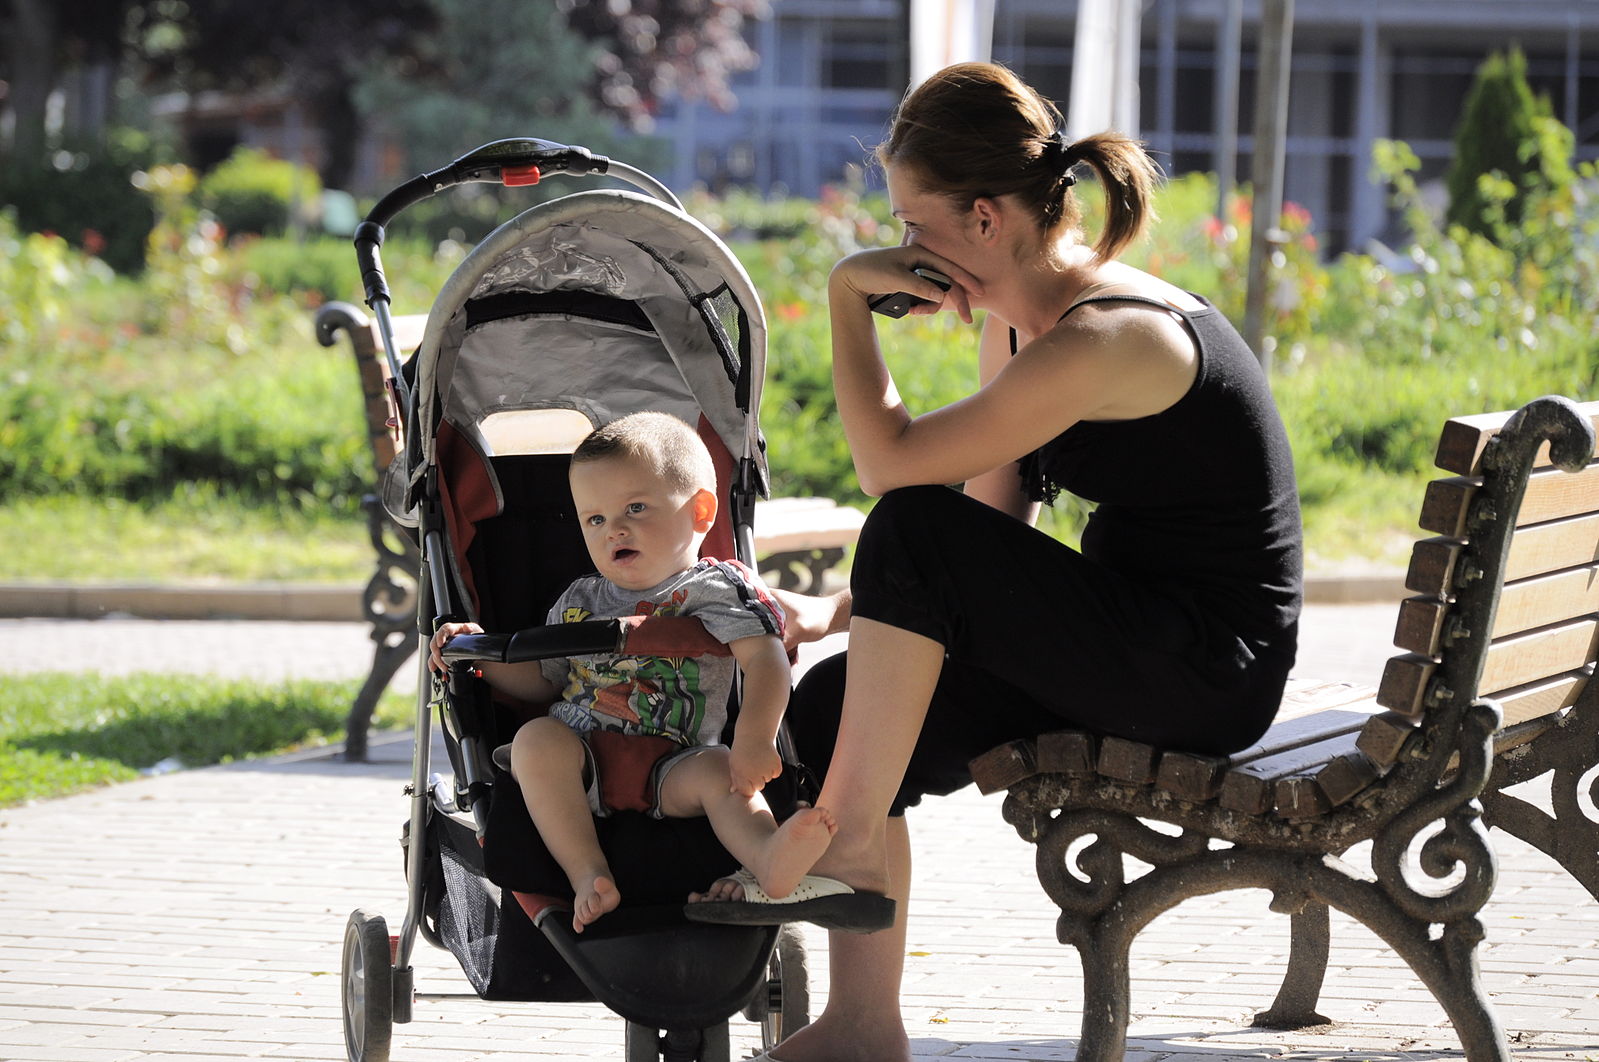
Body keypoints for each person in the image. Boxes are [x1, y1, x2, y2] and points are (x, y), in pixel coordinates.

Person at [683, 62, 1303, 1062]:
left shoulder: (1107, 336)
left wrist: (847, 300)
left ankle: (839, 846)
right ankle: (862, 1027)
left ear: (982, 220)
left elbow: (896, 476)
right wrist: (875, 611)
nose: (899, 250)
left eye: (911, 224)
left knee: (909, 527)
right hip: (1134, 640)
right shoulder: (1024, 322)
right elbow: (997, 512)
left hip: (1202, 668)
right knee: (832, 710)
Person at [428, 411, 863, 935]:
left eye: (636, 507)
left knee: (723, 775)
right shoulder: (580, 599)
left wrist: (754, 739)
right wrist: (478, 660)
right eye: (595, 519)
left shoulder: (719, 589)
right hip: (582, 751)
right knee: (535, 739)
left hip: (677, 759)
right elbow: (542, 682)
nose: (615, 529)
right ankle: (588, 873)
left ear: (701, 510)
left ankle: (769, 857)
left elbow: (766, 660)